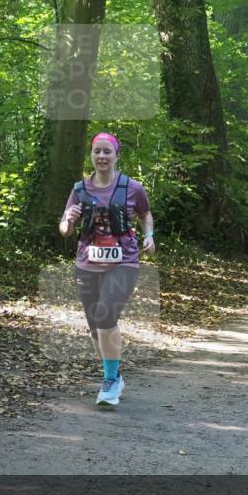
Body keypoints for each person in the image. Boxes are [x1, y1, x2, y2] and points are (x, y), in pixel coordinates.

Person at [60, 132, 155, 409]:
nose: (102, 157)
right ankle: (112, 375)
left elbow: (145, 214)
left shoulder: (132, 187)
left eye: (107, 152)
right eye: (97, 152)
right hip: (87, 263)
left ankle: (111, 382)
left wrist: (149, 235)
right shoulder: (79, 189)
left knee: (105, 316)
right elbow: (65, 230)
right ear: (91, 155)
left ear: (116, 155)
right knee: (94, 328)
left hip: (123, 262)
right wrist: (69, 220)